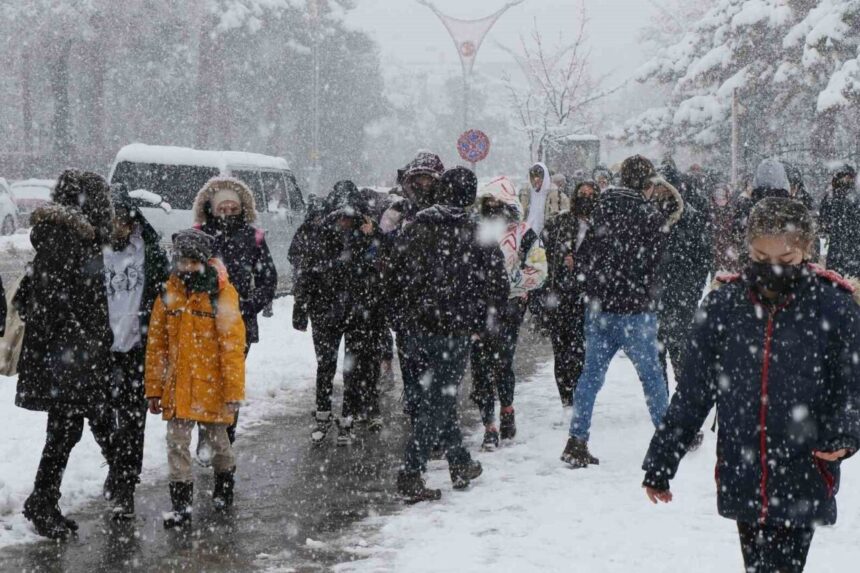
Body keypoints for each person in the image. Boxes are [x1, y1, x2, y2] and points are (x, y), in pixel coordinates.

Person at [642, 197, 860, 573]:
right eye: (761, 257)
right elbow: (693, 392)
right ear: (747, 249)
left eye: (786, 260)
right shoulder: (724, 306)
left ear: (807, 250)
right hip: (743, 468)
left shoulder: (834, 307)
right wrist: (662, 460)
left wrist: (846, 432)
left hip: (804, 468)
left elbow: (852, 384)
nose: (772, 269)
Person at [387, 166, 508, 503]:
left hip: (415, 329)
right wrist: (484, 324)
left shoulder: (416, 227)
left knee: (436, 397)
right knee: (439, 401)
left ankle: (459, 462)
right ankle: (411, 472)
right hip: (452, 330)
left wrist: (400, 318)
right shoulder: (475, 232)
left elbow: (391, 276)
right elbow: (498, 285)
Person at [561, 155, 683, 468]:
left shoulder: (601, 209)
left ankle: (576, 440)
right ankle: (667, 440)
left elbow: (585, 256)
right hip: (636, 312)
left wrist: (595, 288)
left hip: (600, 309)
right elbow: (658, 267)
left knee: (590, 376)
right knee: (652, 377)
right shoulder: (650, 216)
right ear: (647, 184)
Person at [16, 170, 115, 539]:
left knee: (69, 428)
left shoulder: (75, 235)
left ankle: (45, 500)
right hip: (66, 356)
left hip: (72, 354)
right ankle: (43, 502)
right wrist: (82, 341)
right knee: (66, 430)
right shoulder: (65, 236)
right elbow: (50, 299)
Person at [146, 229, 246, 528]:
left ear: (203, 261)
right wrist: (154, 389)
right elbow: (157, 345)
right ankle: (181, 506)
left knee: (219, 443)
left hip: (212, 387)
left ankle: (224, 487)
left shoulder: (222, 293)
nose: (187, 267)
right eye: (182, 260)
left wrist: (233, 392)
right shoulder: (168, 292)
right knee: (176, 444)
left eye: (192, 261)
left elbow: (232, 346)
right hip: (177, 387)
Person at [101, 185, 170, 519]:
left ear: (132, 221)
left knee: (131, 421)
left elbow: (165, 294)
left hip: (137, 349)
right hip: (100, 351)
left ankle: (124, 487)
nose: (118, 227)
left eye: (123, 221)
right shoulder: (93, 251)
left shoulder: (149, 251)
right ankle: (117, 466)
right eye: (111, 221)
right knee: (101, 419)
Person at [193, 177, 276, 451]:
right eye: (222, 208)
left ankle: (226, 435)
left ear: (242, 208)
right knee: (205, 377)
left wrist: (249, 306)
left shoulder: (254, 237)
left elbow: (268, 279)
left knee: (230, 378)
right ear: (211, 208)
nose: (227, 213)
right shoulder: (198, 235)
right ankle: (206, 432)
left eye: (233, 208)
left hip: (239, 323)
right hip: (203, 321)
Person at [471, 176, 547, 449]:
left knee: (502, 362)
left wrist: (508, 283)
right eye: (488, 202)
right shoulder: (474, 231)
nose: (493, 206)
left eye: (498, 202)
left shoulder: (525, 234)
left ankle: (507, 409)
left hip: (510, 307)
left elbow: (539, 271)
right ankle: (489, 425)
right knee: (480, 366)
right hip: (478, 309)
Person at [379, 152, 445, 427]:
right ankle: (417, 407)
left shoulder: (446, 213)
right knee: (409, 358)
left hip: (439, 302)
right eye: (419, 179)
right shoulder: (398, 211)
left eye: (429, 179)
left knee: (437, 362)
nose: (424, 184)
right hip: (406, 300)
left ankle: (433, 413)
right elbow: (383, 251)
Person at [540, 180, 598, 408]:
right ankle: (566, 398)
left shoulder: (601, 226)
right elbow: (544, 254)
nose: (586, 198)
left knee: (580, 350)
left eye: (591, 195)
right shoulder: (560, 222)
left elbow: (605, 262)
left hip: (586, 298)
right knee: (561, 350)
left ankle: (579, 396)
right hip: (560, 295)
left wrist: (580, 265)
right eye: (582, 193)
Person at [819, 164, 860, 278]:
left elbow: (824, 223)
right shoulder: (854, 198)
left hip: (839, 249)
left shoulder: (830, 198)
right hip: (850, 249)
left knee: (836, 279)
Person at [519, 162, 565, 234]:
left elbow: (563, 216)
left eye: (539, 176)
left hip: (547, 234)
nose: (536, 179)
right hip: (526, 234)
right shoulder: (525, 194)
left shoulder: (556, 195)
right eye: (533, 177)